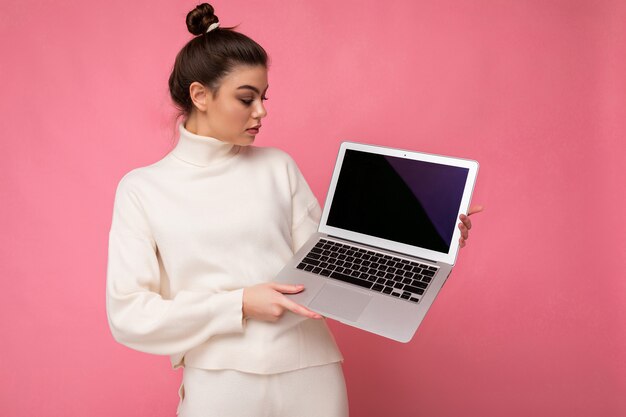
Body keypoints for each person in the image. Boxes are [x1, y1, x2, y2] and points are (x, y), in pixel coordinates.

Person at [106, 4, 482, 417]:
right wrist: (240, 303)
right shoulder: (142, 189)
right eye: (246, 98)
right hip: (220, 382)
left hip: (312, 375)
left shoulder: (277, 166)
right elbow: (128, 315)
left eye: (263, 98)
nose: (262, 112)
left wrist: (424, 246)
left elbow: (326, 267)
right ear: (200, 95)